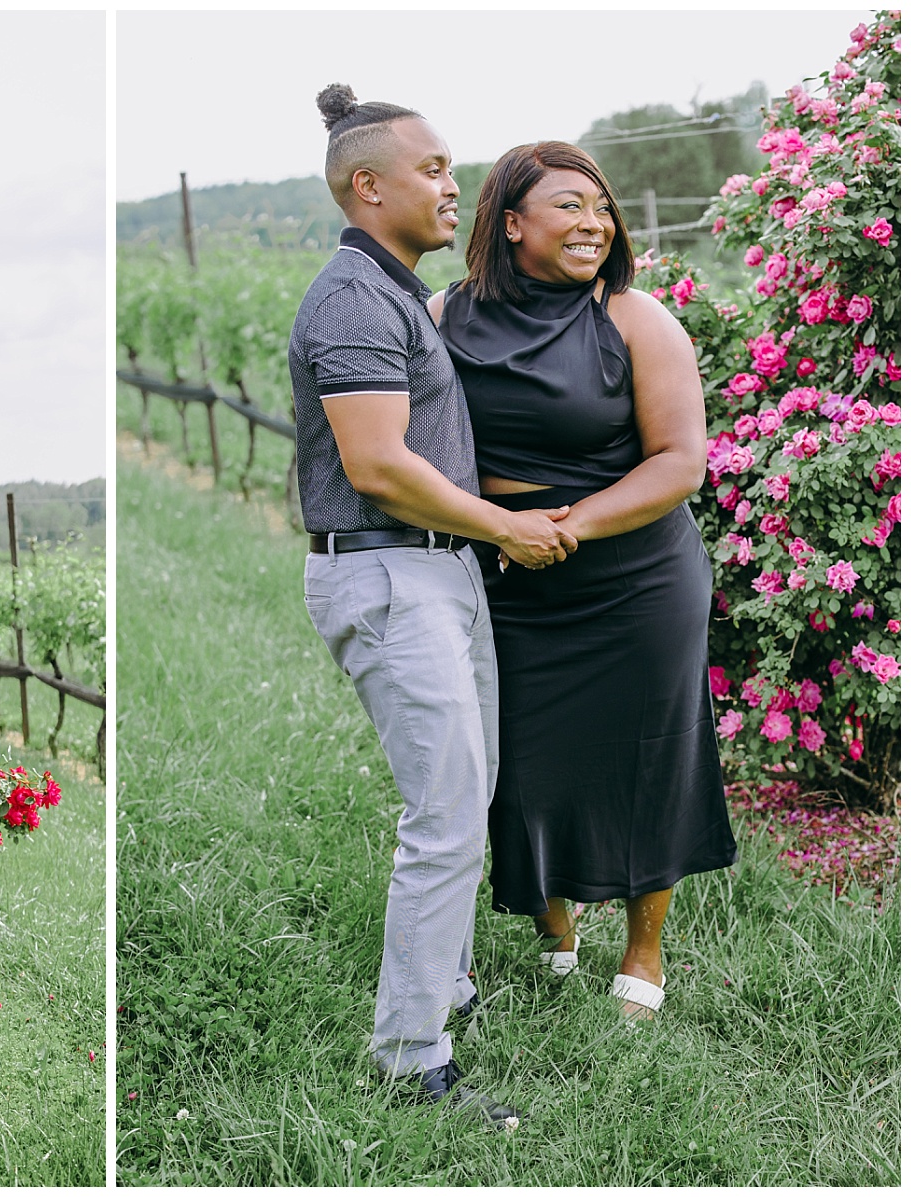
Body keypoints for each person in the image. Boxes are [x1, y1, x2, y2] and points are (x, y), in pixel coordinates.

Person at [288, 85, 576, 1130]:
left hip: (436, 571)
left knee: (470, 791)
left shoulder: (397, 292)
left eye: (452, 170)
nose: (452, 187)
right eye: (434, 170)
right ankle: (412, 1060)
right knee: (445, 814)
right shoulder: (354, 302)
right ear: (368, 187)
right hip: (389, 569)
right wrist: (506, 532)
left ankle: (442, 991)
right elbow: (376, 465)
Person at [432, 141, 738, 1020]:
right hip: (506, 571)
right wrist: (502, 532)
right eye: (569, 205)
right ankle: (555, 925)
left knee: (652, 755)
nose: (594, 221)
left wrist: (565, 526)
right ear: (512, 220)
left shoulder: (637, 318)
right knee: (521, 762)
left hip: (636, 574)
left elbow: (681, 462)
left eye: (601, 207)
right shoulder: (441, 316)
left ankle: (645, 948)